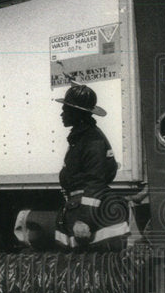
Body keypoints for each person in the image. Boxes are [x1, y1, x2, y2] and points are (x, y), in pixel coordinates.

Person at [54, 84, 130, 251]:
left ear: (77, 114)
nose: (62, 114)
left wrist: (84, 220)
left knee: (90, 266)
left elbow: (95, 182)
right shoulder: (81, 138)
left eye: (66, 110)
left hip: (87, 215)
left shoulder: (92, 141)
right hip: (78, 208)